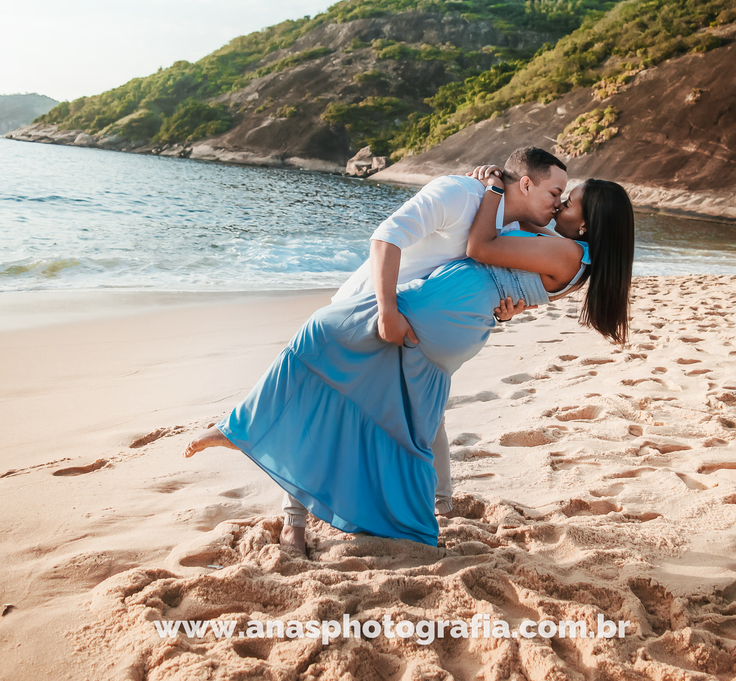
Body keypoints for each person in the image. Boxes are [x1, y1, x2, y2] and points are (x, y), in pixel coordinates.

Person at [184, 167, 635, 551]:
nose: (560, 207)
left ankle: (241, 429)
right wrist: (496, 195)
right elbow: (513, 246)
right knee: (411, 422)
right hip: (456, 325)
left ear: (587, 222)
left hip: (436, 314)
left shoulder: (566, 250)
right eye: (559, 196)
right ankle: (416, 521)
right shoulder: (576, 257)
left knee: (318, 336)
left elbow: (481, 247)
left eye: (569, 202)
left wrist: (495, 190)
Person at [333, 147, 570, 523]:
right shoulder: (459, 194)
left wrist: (504, 313)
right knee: (337, 414)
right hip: (366, 312)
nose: (559, 205)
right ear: (525, 184)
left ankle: (442, 506)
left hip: (419, 331)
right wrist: (387, 313)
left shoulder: (506, 228)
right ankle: (295, 519)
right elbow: (386, 237)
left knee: (430, 414)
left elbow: (486, 282)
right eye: (555, 194)